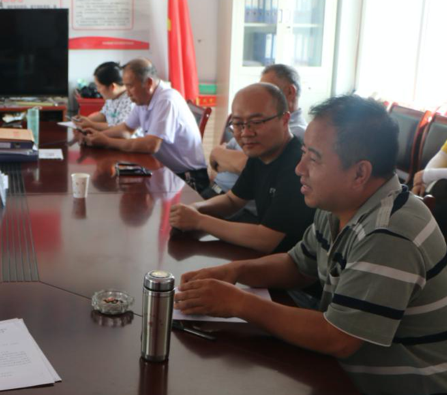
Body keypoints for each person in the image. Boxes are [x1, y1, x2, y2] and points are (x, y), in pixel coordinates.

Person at [174, 95, 447, 395]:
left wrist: (238, 302)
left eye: (313, 158)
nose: (299, 168)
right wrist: (235, 271)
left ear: (360, 173)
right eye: (303, 153)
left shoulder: (389, 233)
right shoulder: (339, 206)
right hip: (346, 387)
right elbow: (297, 265)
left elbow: (338, 337)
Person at [168, 83, 314, 253]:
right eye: (238, 124)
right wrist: (197, 208)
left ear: (285, 120)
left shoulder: (297, 166)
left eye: (256, 122)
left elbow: (266, 239)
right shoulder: (260, 154)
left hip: (290, 262)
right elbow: (232, 200)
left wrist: (199, 221)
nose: (245, 133)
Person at [80, 58, 208, 192]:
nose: (127, 93)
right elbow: (126, 129)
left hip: (187, 178)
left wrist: (107, 142)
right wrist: (96, 137)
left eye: (130, 86)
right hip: (165, 171)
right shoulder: (143, 98)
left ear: (148, 83)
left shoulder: (166, 100)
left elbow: (151, 145)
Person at [209, 64, 306, 199]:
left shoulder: (296, 133)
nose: (246, 133)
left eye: (268, 89)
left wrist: (218, 153)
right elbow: (217, 163)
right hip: (217, 192)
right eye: (238, 123)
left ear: (290, 92)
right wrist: (220, 157)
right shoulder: (248, 125)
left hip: (240, 205)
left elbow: (251, 167)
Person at [72, 61, 135, 131]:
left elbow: (119, 127)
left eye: (99, 86)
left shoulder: (131, 101)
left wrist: (91, 124)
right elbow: (104, 115)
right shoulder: (112, 96)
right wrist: (86, 119)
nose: (97, 90)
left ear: (112, 87)